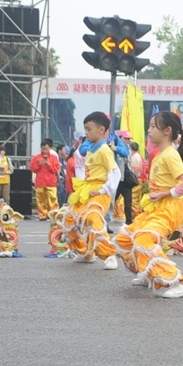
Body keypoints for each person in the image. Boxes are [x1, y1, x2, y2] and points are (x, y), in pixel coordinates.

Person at [117, 111, 183, 299]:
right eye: (150, 126)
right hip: (155, 207)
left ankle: (176, 281)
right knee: (125, 238)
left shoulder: (170, 155)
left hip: (168, 209)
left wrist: (164, 193)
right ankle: (148, 271)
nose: (149, 130)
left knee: (143, 240)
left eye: (153, 126)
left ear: (167, 131)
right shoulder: (158, 153)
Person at [66, 112, 121, 269]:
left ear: (101, 130)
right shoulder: (90, 149)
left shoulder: (104, 150)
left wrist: (104, 190)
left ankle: (109, 254)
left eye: (89, 129)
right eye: (85, 129)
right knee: (71, 219)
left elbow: (115, 172)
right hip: (87, 189)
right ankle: (86, 252)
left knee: (93, 217)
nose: (86, 133)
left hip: (99, 192)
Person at [28, 139, 61, 218]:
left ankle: (54, 215)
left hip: (51, 182)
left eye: (46, 149)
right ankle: (42, 215)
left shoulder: (53, 157)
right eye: (43, 149)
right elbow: (33, 169)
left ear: (49, 148)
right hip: (40, 182)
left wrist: (49, 164)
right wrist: (39, 164)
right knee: (41, 200)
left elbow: (56, 169)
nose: (44, 151)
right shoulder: (36, 158)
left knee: (53, 199)